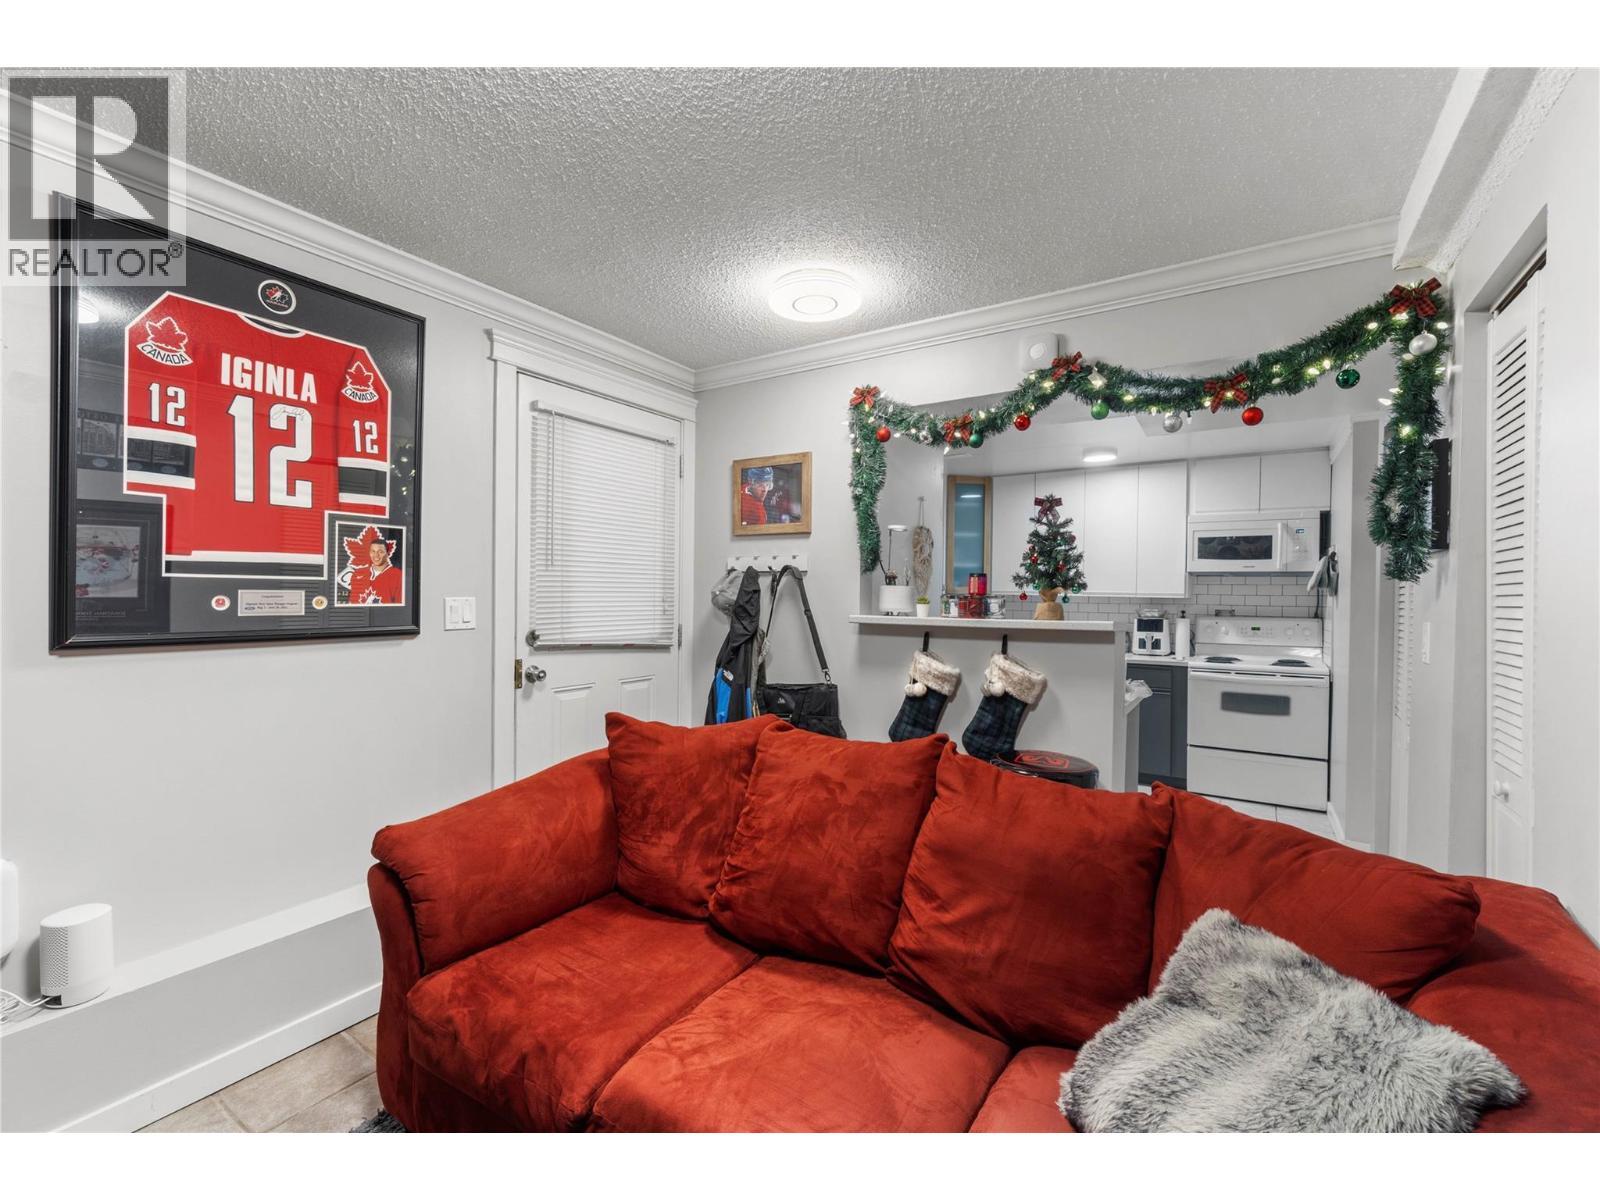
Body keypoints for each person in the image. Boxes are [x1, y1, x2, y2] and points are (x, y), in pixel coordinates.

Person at [344, 527, 404, 605]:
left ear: (387, 554)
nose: (376, 555)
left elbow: (399, 607)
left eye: (381, 552)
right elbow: (352, 602)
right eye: (373, 551)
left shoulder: (397, 575)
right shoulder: (358, 573)